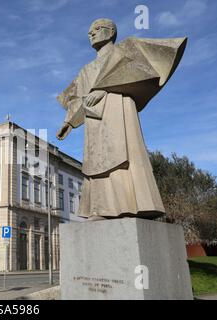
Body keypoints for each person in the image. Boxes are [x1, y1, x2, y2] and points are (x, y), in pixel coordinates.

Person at [56, 18, 187, 220]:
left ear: (110, 32)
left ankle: (132, 205)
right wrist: (69, 122)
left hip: (118, 109)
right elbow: (77, 98)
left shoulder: (126, 51)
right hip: (94, 120)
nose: (91, 34)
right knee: (96, 161)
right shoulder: (85, 70)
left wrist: (104, 88)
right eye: (89, 31)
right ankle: (100, 209)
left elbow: (143, 74)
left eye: (96, 29)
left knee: (124, 153)